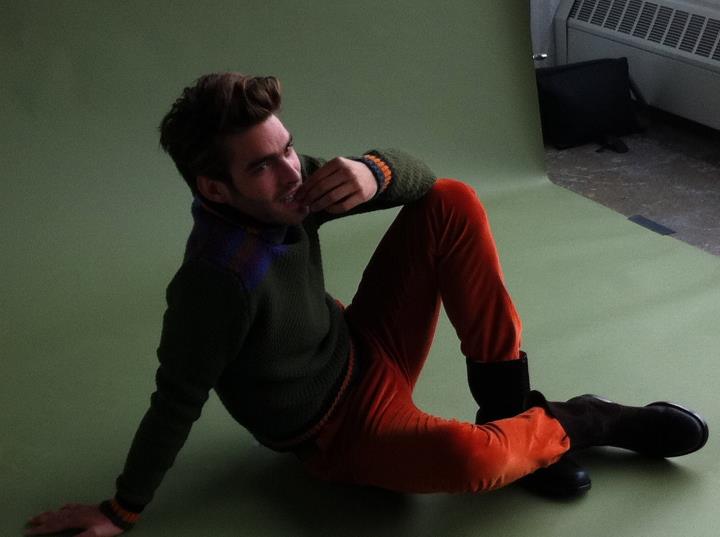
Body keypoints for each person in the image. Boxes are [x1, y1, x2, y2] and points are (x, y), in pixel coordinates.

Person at [26, 73, 709, 536]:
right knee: (472, 462)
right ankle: (581, 419)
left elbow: (424, 181)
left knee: (452, 201)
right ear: (214, 188)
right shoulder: (216, 283)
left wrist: (370, 170)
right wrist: (121, 509)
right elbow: (175, 400)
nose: (291, 171)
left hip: (365, 345)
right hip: (340, 432)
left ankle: (508, 407)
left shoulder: (287, 190)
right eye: (262, 165)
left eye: (287, 148)